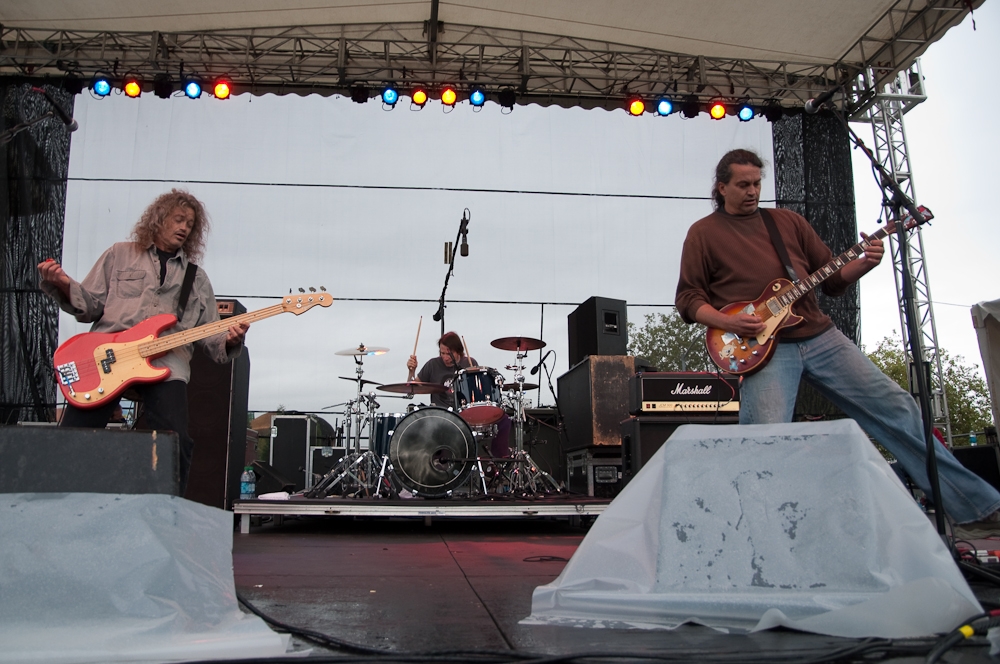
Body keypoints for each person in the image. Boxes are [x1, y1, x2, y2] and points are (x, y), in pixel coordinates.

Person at [674, 148, 1000, 526]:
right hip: (763, 350)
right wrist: (727, 322)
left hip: (819, 336)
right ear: (722, 187)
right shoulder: (703, 233)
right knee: (764, 440)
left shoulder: (787, 222)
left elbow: (831, 280)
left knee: (897, 408)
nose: (752, 191)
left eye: (757, 183)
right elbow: (688, 299)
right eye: (743, 184)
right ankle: (760, 530)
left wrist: (862, 265)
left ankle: (976, 506)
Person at [38, 189, 249, 494]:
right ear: (159, 219)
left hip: (166, 360)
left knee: (174, 438)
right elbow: (90, 305)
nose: (184, 227)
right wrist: (62, 284)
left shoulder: (196, 278)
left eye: (190, 224)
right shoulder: (119, 254)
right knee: (73, 434)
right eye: (178, 219)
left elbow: (211, 335)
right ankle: (57, 502)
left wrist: (229, 339)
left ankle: (168, 509)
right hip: (107, 356)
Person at [407, 331, 510, 457]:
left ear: (459, 351)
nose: (445, 357)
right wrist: (411, 372)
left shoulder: (469, 363)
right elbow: (411, 389)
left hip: (464, 416)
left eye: (449, 353)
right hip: (441, 416)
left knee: (503, 420)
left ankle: (497, 464)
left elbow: (477, 395)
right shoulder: (432, 364)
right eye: (442, 353)